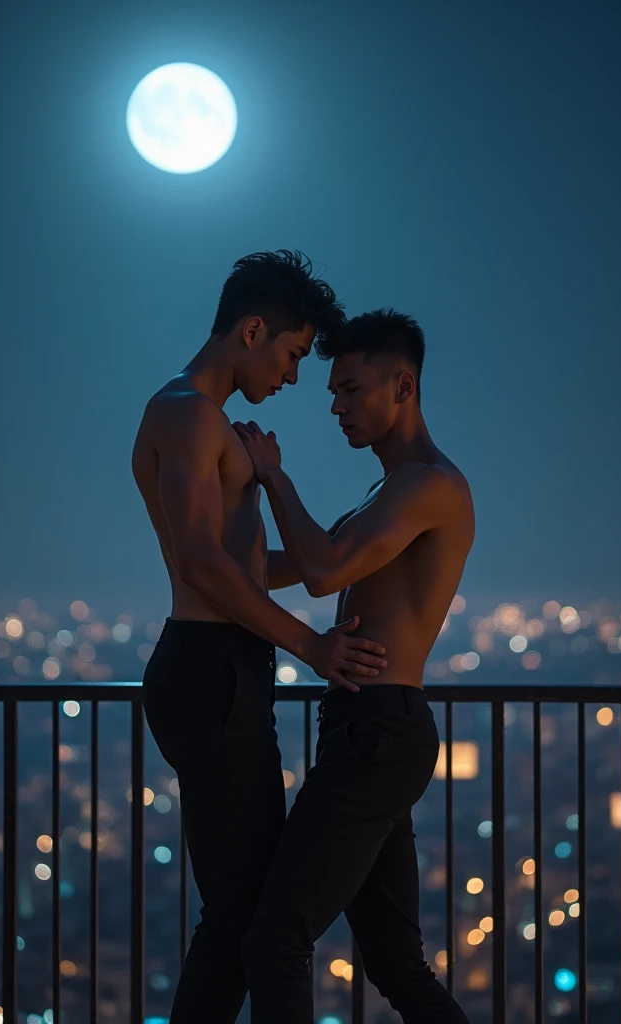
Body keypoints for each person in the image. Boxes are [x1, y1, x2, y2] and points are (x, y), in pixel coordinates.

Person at [131, 251, 388, 1024]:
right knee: (240, 914)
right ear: (251, 330)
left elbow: (236, 563)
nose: (295, 376)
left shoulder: (200, 421)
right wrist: (311, 647)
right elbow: (203, 567)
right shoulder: (185, 413)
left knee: (242, 909)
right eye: (292, 353)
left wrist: (327, 552)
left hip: (222, 667)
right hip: (211, 668)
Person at [234, 308, 474, 1024]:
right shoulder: (387, 492)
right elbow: (304, 563)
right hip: (369, 730)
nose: (336, 406)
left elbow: (324, 570)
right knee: (398, 966)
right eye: (333, 392)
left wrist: (272, 477)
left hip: (378, 732)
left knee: (274, 940)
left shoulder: (427, 485)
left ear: (403, 386)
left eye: (350, 389)